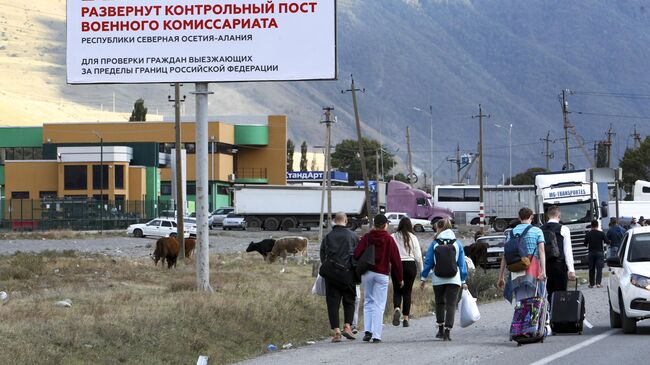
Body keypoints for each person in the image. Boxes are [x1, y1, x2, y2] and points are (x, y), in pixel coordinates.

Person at [353, 214, 403, 343]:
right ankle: (376, 335)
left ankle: (367, 331)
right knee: (379, 305)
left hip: (367, 273)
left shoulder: (367, 237)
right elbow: (396, 260)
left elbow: (357, 253)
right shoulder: (389, 239)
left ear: (374, 224)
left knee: (368, 301)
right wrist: (399, 278)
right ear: (385, 225)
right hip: (382, 274)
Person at [420, 218, 468, 341]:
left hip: (438, 278)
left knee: (440, 303)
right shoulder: (457, 243)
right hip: (454, 278)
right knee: (451, 305)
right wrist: (463, 280)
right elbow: (462, 264)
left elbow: (428, 261)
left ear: (439, 228)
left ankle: (440, 329)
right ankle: (448, 331)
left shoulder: (435, 243)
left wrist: (423, 277)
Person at [319, 212, 359, 342]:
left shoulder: (328, 237)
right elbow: (357, 256)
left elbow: (322, 256)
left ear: (335, 221)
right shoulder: (353, 236)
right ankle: (347, 326)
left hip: (332, 275)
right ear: (346, 221)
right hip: (348, 274)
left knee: (332, 303)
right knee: (349, 301)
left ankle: (336, 332)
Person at [497, 208, 547, 302]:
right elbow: (541, 251)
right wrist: (543, 271)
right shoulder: (537, 231)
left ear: (519, 217)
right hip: (533, 267)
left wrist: (501, 276)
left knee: (521, 302)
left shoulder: (511, 233)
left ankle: (522, 316)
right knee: (536, 301)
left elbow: (505, 255)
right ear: (532, 217)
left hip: (516, 268)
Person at [390, 217, 423, 328]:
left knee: (397, 290)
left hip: (397, 265)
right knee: (407, 292)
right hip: (410, 265)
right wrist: (422, 272)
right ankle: (405, 319)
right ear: (410, 226)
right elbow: (418, 257)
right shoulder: (413, 237)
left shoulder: (393, 236)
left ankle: (397, 308)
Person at [541, 205, 575, 302]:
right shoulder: (563, 229)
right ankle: (560, 314)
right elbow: (567, 250)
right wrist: (571, 269)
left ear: (548, 216)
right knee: (561, 293)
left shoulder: (540, 229)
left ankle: (550, 313)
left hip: (545, 265)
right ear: (559, 215)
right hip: (559, 264)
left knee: (549, 292)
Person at [583, 219, 608, 288]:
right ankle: (598, 283)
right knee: (599, 268)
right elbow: (607, 241)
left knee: (591, 269)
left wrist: (589, 244)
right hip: (599, 252)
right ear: (597, 225)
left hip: (591, 253)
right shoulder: (601, 233)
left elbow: (585, 244)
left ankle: (591, 284)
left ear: (591, 226)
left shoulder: (588, 234)